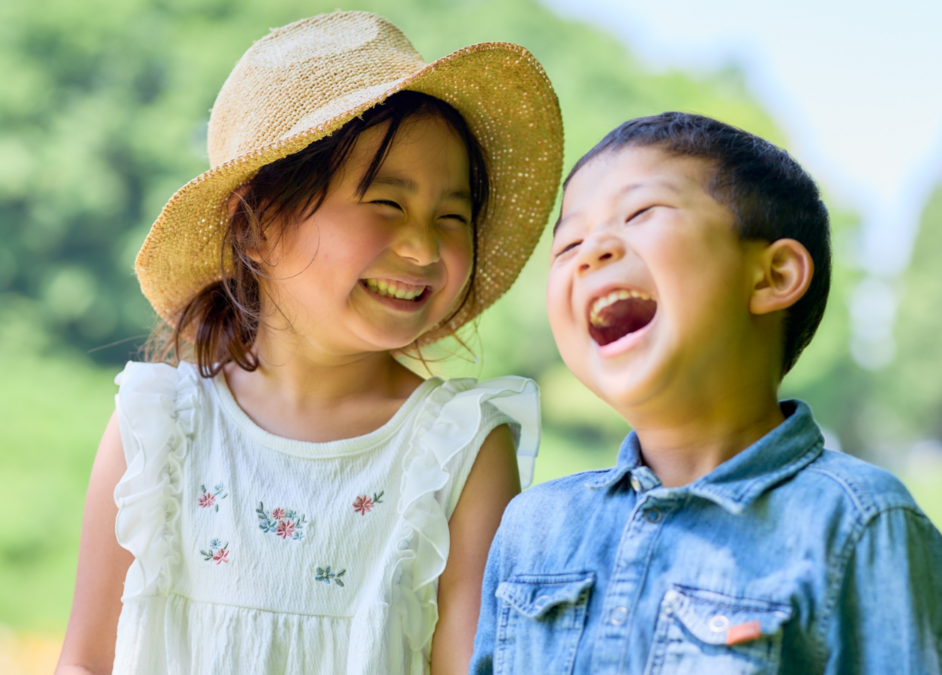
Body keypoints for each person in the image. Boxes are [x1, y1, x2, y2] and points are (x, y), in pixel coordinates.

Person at [55, 12, 562, 675]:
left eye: (452, 215)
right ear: (256, 228)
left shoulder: (458, 450)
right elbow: (86, 661)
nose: (423, 247)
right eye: (387, 203)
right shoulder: (159, 427)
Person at [470, 113, 942, 674]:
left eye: (640, 214)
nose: (591, 253)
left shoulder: (861, 525)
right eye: (568, 246)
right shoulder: (535, 526)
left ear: (772, 275)